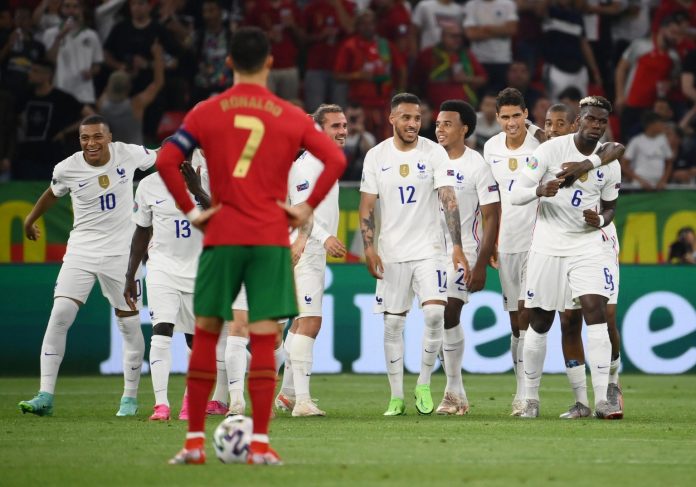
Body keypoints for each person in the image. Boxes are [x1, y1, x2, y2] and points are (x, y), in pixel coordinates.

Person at [155, 27, 346, 465]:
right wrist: (305, 208)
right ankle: (259, 444)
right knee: (263, 339)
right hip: (267, 239)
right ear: (270, 64)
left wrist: (192, 211)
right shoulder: (290, 115)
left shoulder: (205, 112)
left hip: (222, 235)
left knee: (207, 336)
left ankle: (193, 444)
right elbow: (336, 159)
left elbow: (167, 159)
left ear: (228, 64)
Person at [19, 115, 156, 418]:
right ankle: (45, 395)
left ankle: (129, 399)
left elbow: (163, 157)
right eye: (84, 138)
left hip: (122, 255)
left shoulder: (129, 153)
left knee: (129, 325)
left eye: (97, 137)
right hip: (81, 251)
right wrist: (30, 219)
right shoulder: (67, 168)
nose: (91, 143)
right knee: (60, 315)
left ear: (109, 137)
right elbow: (53, 192)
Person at [509, 95, 622, 420]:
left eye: (601, 121)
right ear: (577, 122)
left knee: (595, 310)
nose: (596, 125)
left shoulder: (609, 161)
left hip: (587, 245)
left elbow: (611, 207)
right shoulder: (548, 152)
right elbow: (515, 194)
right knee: (540, 320)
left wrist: (599, 220)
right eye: (590, 119)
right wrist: (538, 191)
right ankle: (530, 398)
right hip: (548, 245)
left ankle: (602, 400)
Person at [359, 92, 467, 416]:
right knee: (393, 323)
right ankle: (396, 396)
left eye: (417, 118)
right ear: (392, 118)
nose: (413, 124)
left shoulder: (434, 153)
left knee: (434, 314)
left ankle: (423, 383)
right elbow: (367, 206)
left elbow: (448, 199)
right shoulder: (376, 156)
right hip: (392, 252)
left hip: (429, 249)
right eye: (406, 117)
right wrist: (369, 248)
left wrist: (457, 245)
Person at [124, 148, 231, 421]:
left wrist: (198, 191)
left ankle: (189, 403)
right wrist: (130, 274)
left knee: (197, 340)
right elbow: (141, 231)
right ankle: (161, 405)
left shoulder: (209, 181)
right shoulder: (148, 185)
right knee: (161, 330)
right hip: (162, 268)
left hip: (201, 271)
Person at [542, 103, 625, 420]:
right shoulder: (546, 152)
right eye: (549, 124)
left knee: (605, 314)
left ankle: (611, 384)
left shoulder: (604, 155)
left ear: (573, 124)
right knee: (568, 320)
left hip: (596, 241)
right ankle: (581, 401)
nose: (553, 129)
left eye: (560, 123)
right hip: (558, 243)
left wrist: (583, 167)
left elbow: (617, 149)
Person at [276, 104, 348, 417]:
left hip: (310, 248)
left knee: (299, 323)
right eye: (335, 126)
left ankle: (288, 394)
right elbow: (301, 209)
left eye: (344, 125)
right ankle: (302, 402)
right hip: (303, 247)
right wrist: (325, 236)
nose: (343, 131)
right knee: (310, 322)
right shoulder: (307, 166)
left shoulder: (325, 161)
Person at [434, 99, 500, 415]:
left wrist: (482, 263)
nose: (439, 129)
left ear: (464, 129)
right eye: (437, 124)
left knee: (450, 310)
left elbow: (491, 215)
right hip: (427, 251)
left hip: (464, 251)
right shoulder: (427, 159)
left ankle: (451, 391)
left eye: (447, 124)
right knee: (435, 318)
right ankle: (457, 392)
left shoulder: (477, 166)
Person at [482, 87, 542, 416]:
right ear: (497, 118)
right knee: (515, 321)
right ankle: (520, 390)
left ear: (526, 114)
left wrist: (540, 131)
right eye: (504, 117)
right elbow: (489, 200)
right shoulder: (491, 147)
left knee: (527, 311)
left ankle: (528, 394)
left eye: (516, 115)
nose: (511, 122)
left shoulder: (541, 143)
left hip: (538, 240)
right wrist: (489, 241)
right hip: (506, 241)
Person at [97, 41, 164, 146]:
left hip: (114, 154)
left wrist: (120, 72)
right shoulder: (135, 105)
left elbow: (107, 90)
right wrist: (158, 56)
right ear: (129, 88)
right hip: (134, 154)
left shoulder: (102, 105)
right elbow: (158, 83)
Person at [42, 0, 103, 105]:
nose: (71, 10)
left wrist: (91, 72)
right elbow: (48, 61)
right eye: (67, 6)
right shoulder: (50, 33)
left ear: (81, 9)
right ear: (61, 9)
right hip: (58, 90)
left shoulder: (92, 35)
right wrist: (59, 37)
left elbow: (97, 65)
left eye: (75, 7)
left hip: (84, 93)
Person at [463, 0, 518, 93]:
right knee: (479, 97)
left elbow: (511, 29)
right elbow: (471, 34)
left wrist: (485, 29)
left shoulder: (507, 3)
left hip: (502, 59)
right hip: (478, 60)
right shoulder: (471, 5)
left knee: (501, 97)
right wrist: (501, 31)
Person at [621, 111, 674, 190]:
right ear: (651, 124)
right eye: (660, 123)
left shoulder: (663, 140)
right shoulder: (636, 141)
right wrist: (640, 181)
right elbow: (624, 165)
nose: (663, 125)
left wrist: (663, 180)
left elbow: (669, 163)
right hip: (639, 187)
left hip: (659, 186)